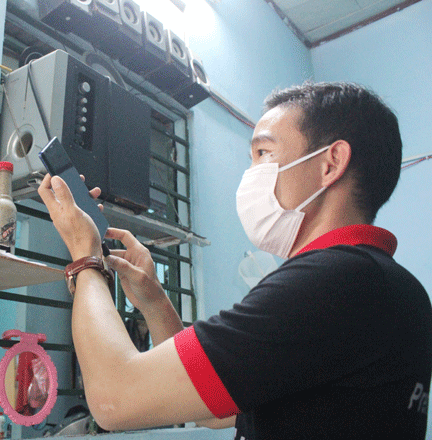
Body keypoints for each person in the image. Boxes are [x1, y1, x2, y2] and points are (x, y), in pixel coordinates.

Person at [37, 82, 432, 439]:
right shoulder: (390, 287)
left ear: (330, 164)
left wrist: (85, 256)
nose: (251, 174)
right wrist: (154, 300)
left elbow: (114, 399)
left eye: (263, 153)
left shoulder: (333, 282)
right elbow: (215, 409)